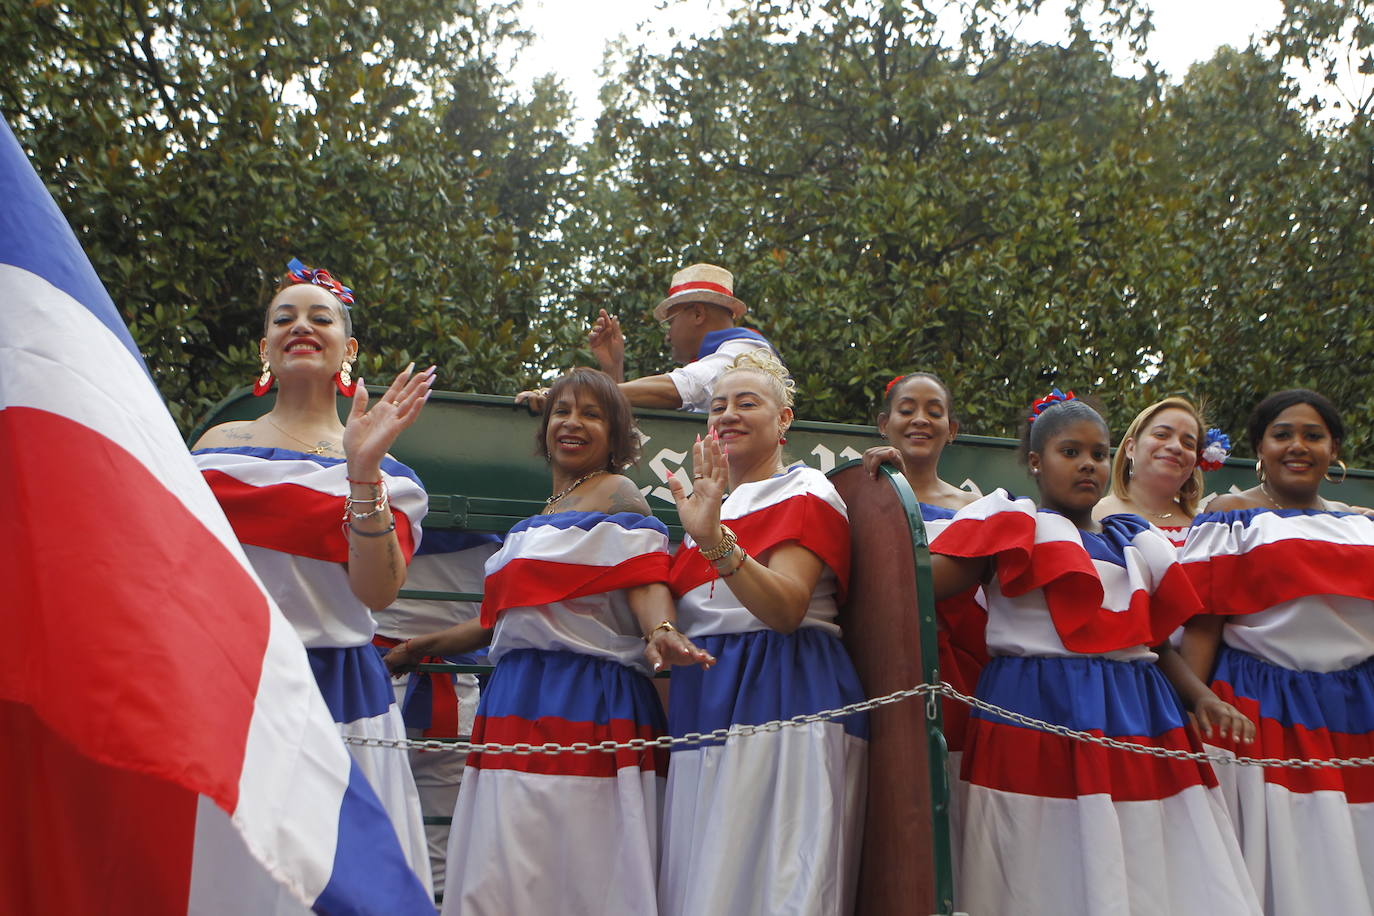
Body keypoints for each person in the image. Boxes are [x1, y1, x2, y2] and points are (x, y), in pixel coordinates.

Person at [929, 390, 1260, 916]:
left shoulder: (1134, 540)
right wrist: (886, 494)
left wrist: (1200, 697)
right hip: (1034, 712)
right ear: (1036, 462)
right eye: (1070, 452)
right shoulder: (1012, 526)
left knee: (1145, 853)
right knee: (1036, 858)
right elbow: (923, 582)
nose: (1088, 464)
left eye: (1099, 453)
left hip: (1136, 713)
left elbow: (1149, 641)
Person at [410, 367, 713, 916]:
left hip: (586, 699)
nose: (572, 423)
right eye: (562, 411)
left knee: (577, 867)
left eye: (591, 414)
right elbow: (496, 625)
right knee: (506, 864)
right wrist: (413, 649)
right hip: (517, 698)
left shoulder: (616, 492)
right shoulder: (536, 521)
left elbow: (644, 575)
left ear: (617, 435)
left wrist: (661, 629)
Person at [192, 258, 436, 903]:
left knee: (343, 882)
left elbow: (377, 592)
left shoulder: (390, 474)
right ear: (265, 346)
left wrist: (362, 471)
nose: (301, 326)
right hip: (236, 683)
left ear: (347, 349)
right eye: (284, 318)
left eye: (319, 317)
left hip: (342, 690)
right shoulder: (216, 447)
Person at [660, 349, 868, 916]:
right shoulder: (707, 501)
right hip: (705, 695)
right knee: (699, 882)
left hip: (783, 684)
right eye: (718, 406)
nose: (727, 415)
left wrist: (714, 541)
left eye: (747, 403)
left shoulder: (806, 490)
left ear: (785, 421)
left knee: (776, 883)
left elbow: (785, 610)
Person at [1179, 389, 1374, 915]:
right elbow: (1202, 628)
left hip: (1357, 716)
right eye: (1282, 434)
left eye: (1313, 436)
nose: (1298, 446)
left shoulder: (1365, 525)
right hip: (1261, 713)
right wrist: (1186, 720)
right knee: (1276, 861)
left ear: (1334, 449)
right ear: (1259, 449)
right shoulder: (1229, 517)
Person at [861, 371, 981, 889]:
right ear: (884, 424)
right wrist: (884, 495)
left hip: (959, 681)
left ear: (952, 429)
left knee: (952, 813)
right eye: (907, 409)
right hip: (877, 676)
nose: (921, 420)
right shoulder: (853, 498)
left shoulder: (976, 510)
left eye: (934, 411)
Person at [370, 529, 502, 897]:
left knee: (361, 826)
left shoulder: (375, 509)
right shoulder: (495, 525)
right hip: (450, 688)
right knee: (439, 845)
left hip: (378, 686)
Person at [517, 263, 779, 413]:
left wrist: (567, 396)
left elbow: (687, 387)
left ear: (697, 313)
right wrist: (612, 369)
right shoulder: (721, 356)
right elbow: (626, 425)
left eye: (670, 322)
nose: (667, 336)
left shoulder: (748, 351)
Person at [1093, 397, 1209, 545]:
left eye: (1188, 444)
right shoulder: (1092, 516)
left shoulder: (1206, 528)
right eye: (1161, 435)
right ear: (1131, 448)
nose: (1176, 447)